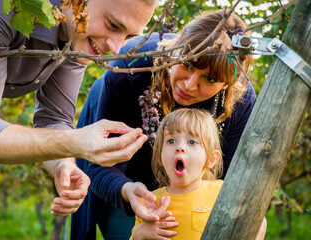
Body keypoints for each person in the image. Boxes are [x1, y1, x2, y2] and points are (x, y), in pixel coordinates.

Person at [0, 0, 157, 238]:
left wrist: (63, 164)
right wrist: (76, 143)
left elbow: (54, 117)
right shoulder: (4, 5)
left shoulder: (76, 35)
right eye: (112, 24)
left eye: (128, 35)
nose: (115, 47)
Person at [72, 10, 258, 239]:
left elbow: (229, 182)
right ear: (176, 47)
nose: (189, 85)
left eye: (209, 79)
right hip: (124, 171)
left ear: (227, 86)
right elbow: (102, 167)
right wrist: (130, 191)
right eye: (187, 64)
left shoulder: (240, 100)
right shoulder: (130, 68)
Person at [131, 108, 223, 240]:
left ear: (211, 159)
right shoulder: (150, 202)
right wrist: (139, 234)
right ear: (159, 156)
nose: (180, 147)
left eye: (192, 142)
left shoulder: (221, 192)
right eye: (171, 141)